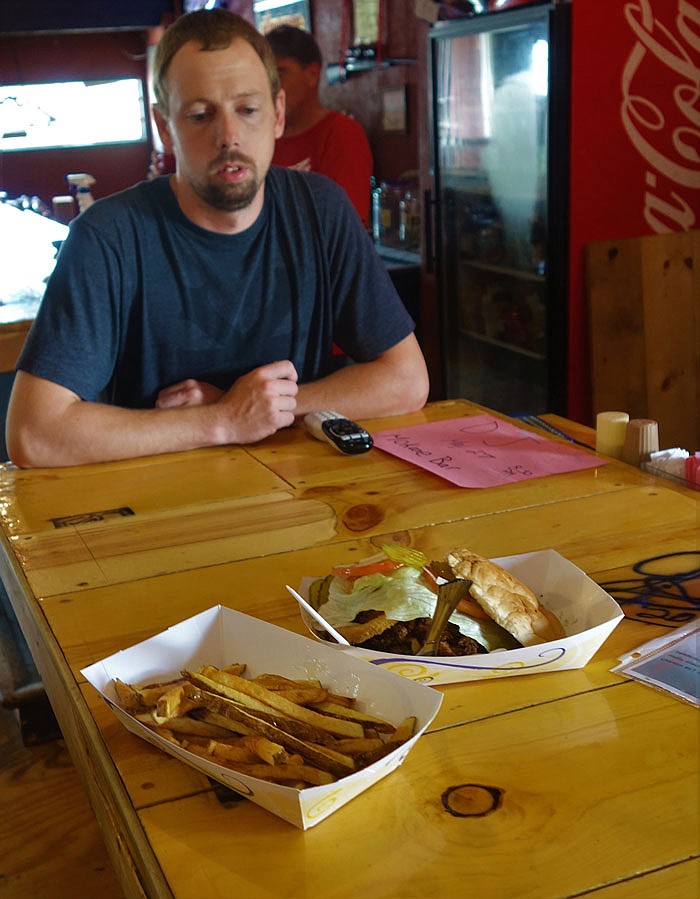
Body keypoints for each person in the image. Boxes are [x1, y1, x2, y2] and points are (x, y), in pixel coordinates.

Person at [5, 9, 428, 469]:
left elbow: (407, 380)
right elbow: (34, 435)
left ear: (277, 114)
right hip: (155, 507)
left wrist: (261, 410)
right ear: (166, 128)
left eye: (247, 110)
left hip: (305, 498)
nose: (229, 136)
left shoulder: (320, 210)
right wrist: (223, 420)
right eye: (201, 115)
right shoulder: (108, 236)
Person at [266, 25, 373, 226]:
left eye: (280, 73)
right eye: (267, 75)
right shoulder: (260, 137)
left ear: (312, 75)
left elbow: (344, 229)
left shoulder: (341, 134)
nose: (271, 86)